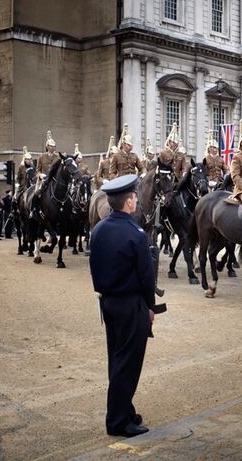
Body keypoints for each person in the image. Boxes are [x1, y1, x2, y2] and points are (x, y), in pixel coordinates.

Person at [89, 174, 155, 438]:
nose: (137, 200)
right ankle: (117, 421)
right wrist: (150, 307)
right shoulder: (136, 234)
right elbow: (146, 277)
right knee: (128, 363)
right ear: (128, 203)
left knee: (116, 359)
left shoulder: (97, 230)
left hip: (108, 303)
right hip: (131, 304)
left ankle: (124, 409)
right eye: (134, 197)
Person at [32, 131, 61, 218]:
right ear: (47, 147)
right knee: (36, 193)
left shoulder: (58, 157)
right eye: (51, 146)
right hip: (43, 180)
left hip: (54, 180)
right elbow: (37, 170)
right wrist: (40, 175)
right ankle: (33, 210)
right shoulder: (41, 156)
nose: (53, 148)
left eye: (54, 146)